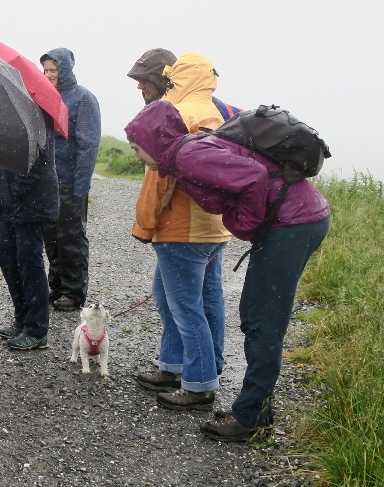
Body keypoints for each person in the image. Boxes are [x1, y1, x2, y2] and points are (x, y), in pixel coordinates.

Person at [125, 100, 330, 441]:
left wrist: (246, 225)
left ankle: (251, 418)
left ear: (152, 140)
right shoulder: (187, 152)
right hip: (296, 220)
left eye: (136, 148)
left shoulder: (187, 156)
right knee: (253, 314)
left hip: (293, 224)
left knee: (264, 321)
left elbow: (254, 177)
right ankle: (255, 409)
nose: (137, 157)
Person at [130, 53, 232, 412]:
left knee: (185, 307)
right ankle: (179, 366)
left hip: (181, 229)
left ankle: (199, 385)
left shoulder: (177, 113)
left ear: (177, 79)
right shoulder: (219, 112)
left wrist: (144, 224)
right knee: (201, 299)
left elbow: (159, 179)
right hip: (215, 227)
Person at [40, 48, 101, 311]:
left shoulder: (83, 98)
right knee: (51, 238)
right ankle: (56, 286)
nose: (48, 74)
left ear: (65, 70)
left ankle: (73, 292)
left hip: (70, 182)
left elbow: (88, 145)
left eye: (53, 70)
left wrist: (80, 187)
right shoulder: (46, 97)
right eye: (45, 70)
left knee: (71, 237)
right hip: (48, 182)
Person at [0, 133, 58, 351]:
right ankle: (22, 319)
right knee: (7, 258)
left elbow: (36, 163)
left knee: (29, 263)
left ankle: (37, 329)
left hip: (31, 203)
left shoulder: (36, 118)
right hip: (10, 203)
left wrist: (15, 191)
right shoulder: (6, 119)